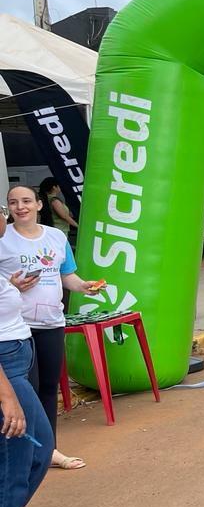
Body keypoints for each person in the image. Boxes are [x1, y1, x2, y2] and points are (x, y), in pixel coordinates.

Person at [0, 186, 104, 471]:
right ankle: (24, 456)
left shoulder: (56, 237)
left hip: (51, 322)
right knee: (27, 393)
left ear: (39, 204)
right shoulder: (3, 237)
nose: (20, 207)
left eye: (26, 201)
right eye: (13, 202)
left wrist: (84, 286)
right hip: (17, 330)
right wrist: (12, 285)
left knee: (48, 388)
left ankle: (49, 451)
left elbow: (67, 275)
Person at [0, 206, 58, 507]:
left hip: (15, 362)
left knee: (35, 451)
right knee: (21, 457)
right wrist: (6, 396)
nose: (6, 216)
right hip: (5, 371)